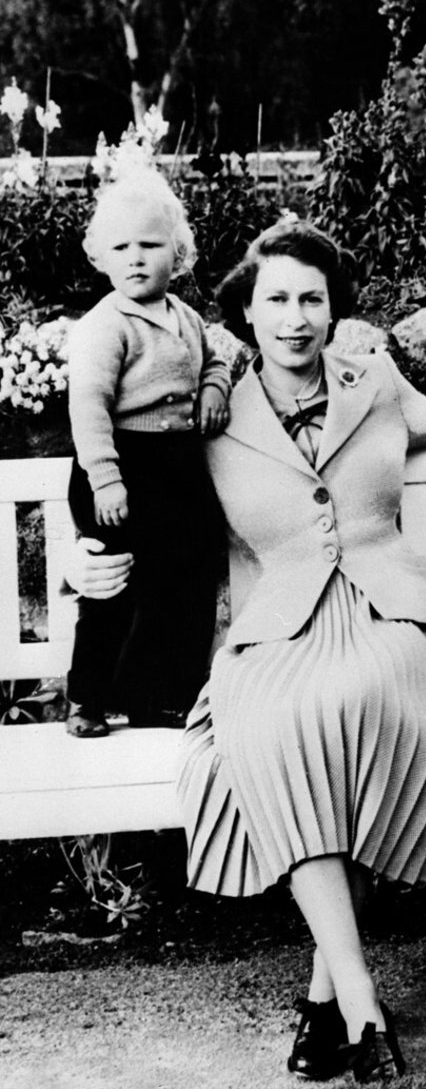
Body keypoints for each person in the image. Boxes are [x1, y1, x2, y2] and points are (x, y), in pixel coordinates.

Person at [69, 218, 426, 1084]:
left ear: (335, 308)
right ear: (247, 309)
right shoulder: (210, 404)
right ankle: (356, 1004)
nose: (296, 317)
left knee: (369, 710)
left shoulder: (374, 381)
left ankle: (332, 999)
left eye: (312, 298)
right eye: (277, 299)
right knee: (287, 727)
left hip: (390, 619)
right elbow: (122, 465)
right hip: (276, 627)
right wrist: (90, 544)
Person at [64, 168, 231, 737]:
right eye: (121, 247)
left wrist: (213, 388)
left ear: (177, 253)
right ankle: (86, 697)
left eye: (151, 245)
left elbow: (215, 360)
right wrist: (107, 480)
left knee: (185, 582)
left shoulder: (185, 317)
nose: (136, 258)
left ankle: (164, 696)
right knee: (114, 582)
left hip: (177, 467)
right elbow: (87, 404)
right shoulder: (104, 326)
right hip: (118, 466)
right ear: (101, 258)